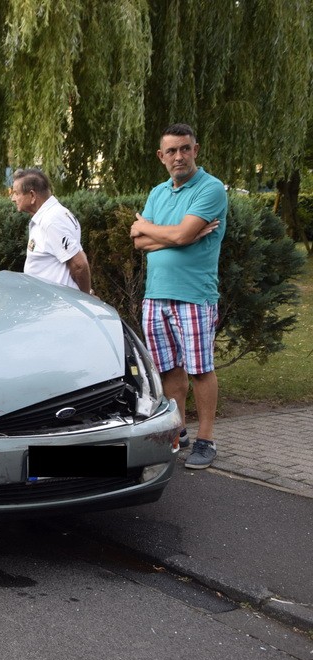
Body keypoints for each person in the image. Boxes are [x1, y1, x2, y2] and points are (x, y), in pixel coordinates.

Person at [130, 123, 226, 470]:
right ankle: (178, 431)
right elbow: (139, 241)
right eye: (171, 151)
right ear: (161, 156)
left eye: (185, 149)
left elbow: (182, 235)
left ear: (195, 150)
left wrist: (154, 229)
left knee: (200, 370)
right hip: (156, 295)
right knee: (169, 369)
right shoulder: (158, 192)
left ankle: (206, 439)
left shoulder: (211, 189)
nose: (179, 156)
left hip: (194, 296)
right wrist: (178, 236)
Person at [10, 168, 92, 293]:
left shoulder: (51, 220)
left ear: (32, 195)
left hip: (58, 306)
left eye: (16, 193)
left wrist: (86, 298)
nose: (13, 199)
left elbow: (79, 265)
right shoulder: (50, 215)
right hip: (50, 304)